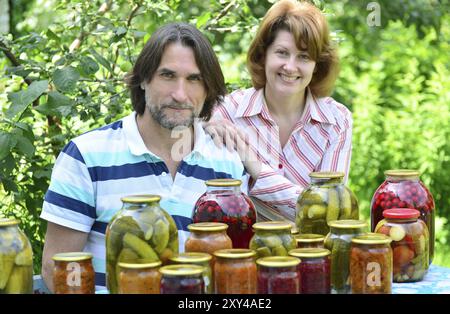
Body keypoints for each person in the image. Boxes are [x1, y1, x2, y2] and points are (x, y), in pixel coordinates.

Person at [40, 22, 254, 292]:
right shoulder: (86, 156)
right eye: (167, 75)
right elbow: (56, 267)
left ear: (209, 88)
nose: (180, 94)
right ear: (143, 79)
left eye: (194, 79)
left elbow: (231, 268)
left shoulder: (228, 162)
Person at [204, 0, 352, 223]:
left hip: (312, 254)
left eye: (303, 56)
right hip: (243, 252)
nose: (290, 67)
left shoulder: (337, 120)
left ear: (317, 65)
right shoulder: (228, 112)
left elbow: (327, 214)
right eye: (282, 53)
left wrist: (254, 166)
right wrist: (206, 122)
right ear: (263, 55)